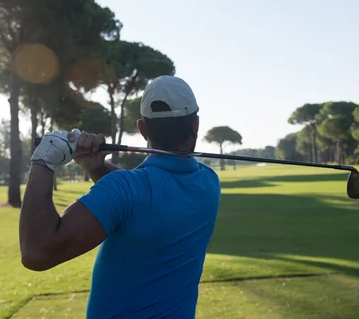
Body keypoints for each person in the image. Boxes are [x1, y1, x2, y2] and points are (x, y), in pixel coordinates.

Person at [19, 75, 221, 318]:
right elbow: (142, 193)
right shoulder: (209, 183)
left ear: (142, 129)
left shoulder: (126, 190)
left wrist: (44, 160)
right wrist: (96, 168)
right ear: (196, 125)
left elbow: (36, 253)